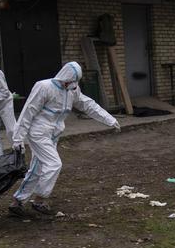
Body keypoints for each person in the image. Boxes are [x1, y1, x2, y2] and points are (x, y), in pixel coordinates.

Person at [9, 62, 119, 217]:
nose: (72, 85)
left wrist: (109, 119)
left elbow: (88, 105)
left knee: (38, 167)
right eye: (70, 82)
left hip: (53, 134)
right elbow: (28, 112)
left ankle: (17, 201)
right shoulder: (44, 87)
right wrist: (18, 138)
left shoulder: (72, 90)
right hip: (38, 133)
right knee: (54, 164)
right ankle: (39, 199)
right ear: (64, 77)